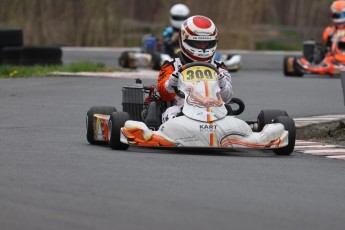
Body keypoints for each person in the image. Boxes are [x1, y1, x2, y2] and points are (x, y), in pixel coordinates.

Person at [157, 15, 233, 122]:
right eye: (198, 42)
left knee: (228, 111)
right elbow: (164, 95)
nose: (203, 47)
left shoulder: (219, 67)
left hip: (214, 110)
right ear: (184, 40)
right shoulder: (171, 65)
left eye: (206, 42)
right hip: (182, 111)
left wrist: (223, 85)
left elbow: (226, 98)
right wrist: (170, 85)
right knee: (171, 112)